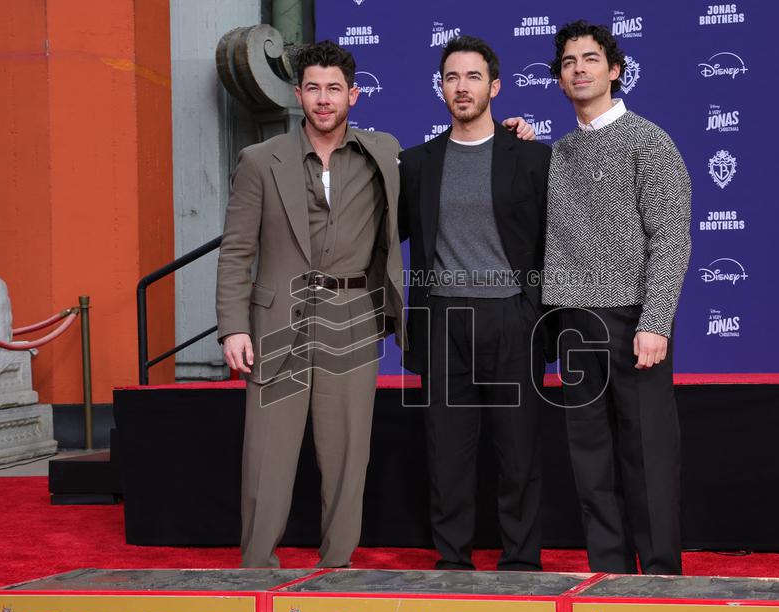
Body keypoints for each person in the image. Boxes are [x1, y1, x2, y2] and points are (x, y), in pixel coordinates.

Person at [215, 40, 405, 568]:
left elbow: (441, 167)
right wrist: (233, 326)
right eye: (314, 88)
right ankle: (256, 567)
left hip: (353, 316)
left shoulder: (383, 153)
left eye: (334, 89)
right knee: (266, 456)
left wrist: (512, 133)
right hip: (277, 322)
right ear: (298, 95)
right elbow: (236, 250)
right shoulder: (260, 161)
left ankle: (336, 568)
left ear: (353, 95)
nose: (324, 99)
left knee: (348, 455)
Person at [542, 20, 691, 574]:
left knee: (648, 457)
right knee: (591, 462)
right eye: (568, 62)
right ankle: (608, 575)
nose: (578, 69)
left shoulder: (650, 141)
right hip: (574, 322)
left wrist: (656, 321)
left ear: (615, 71)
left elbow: (671, 237)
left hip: (634, 324)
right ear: (560, 80)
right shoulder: (558, 153)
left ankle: (660, 579)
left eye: (590, 59)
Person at [399, 36, 552, 571]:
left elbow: (553, 240)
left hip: (512, 316)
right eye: (451, 78)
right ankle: (452, 561)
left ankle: (522, 562)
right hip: (443, 318)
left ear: (495, 86)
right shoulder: (416, 163)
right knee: (448, 453)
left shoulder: (532, 157)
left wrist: (533, 313)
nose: (461, 87)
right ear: (441, 88)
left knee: (519, 450)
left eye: (472, 77)